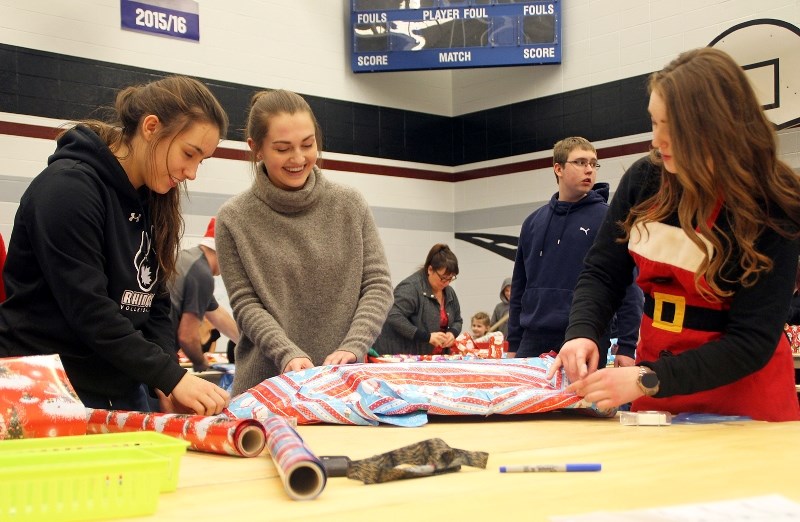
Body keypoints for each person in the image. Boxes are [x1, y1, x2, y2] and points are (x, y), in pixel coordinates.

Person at [548, 47, 800, 422]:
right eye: (654, 123)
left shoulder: (773, 204)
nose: (656, 141)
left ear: (717, 128)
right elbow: (603, 271)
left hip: (746, 401)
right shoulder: (644, 180)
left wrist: (649, 379)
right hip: (657, 388)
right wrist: (582, 331)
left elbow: (750, 343)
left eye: (673, 129)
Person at [0, 76, 231, 415]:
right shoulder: (68, 189)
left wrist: (164, 377)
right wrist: (170, 376)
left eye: (202, 160)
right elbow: (90, 311)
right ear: (151, 127)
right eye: (189, 153)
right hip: (46, 392)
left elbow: (155, 303)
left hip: (117, 387)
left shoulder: (151, 199)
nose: (192, 172)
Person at [215, 89, 393, 396]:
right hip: (266, 391)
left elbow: (377, 285)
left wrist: (354, 346)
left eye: (308, 145)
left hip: (345, 389)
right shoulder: (234, 218)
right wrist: (286, 353)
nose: (298, 159)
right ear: (256, 149)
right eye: (283, 149)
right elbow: (246, 303)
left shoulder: (350, 205)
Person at [508, 137, 643, 363]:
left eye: (593, 163)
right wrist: (513, 343)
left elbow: (629, 285)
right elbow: (520, 287)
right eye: (580, 162)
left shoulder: (609, 219)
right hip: (533, 337)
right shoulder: (532, 222)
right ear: (558, 168)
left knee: (580, 400)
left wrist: (627, 346)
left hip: (586, 335)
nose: (589, 169)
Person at [169, 217, 239, 372]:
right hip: (161, 352)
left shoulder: (187, 259)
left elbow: (217, 313)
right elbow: (187, 337)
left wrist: (246, 343)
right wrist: (200, 362)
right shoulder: (201, 274)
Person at [374, 243, 463, 355]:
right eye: (443, 278)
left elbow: (458, 320)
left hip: (435, 356)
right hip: (404, 355)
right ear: (430, 269)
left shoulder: (449, 292)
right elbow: (393, 316)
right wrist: (427, 337)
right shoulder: (410, 287)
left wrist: (452, 333)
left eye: (451, 278)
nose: (447, 283)